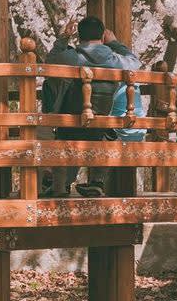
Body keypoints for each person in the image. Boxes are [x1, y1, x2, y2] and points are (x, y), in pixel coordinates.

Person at [45, 16, 143, 195]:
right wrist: (114, 43)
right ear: (103, 35)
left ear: (79, 35)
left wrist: (64, 38)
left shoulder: (71, 57)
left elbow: (49, 61)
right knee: (107, 133)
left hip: (69, 125)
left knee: (58, 127)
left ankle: (60, 185)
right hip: (101, 126)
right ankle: (97, 182)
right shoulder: (114, 60)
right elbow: (135, 63)